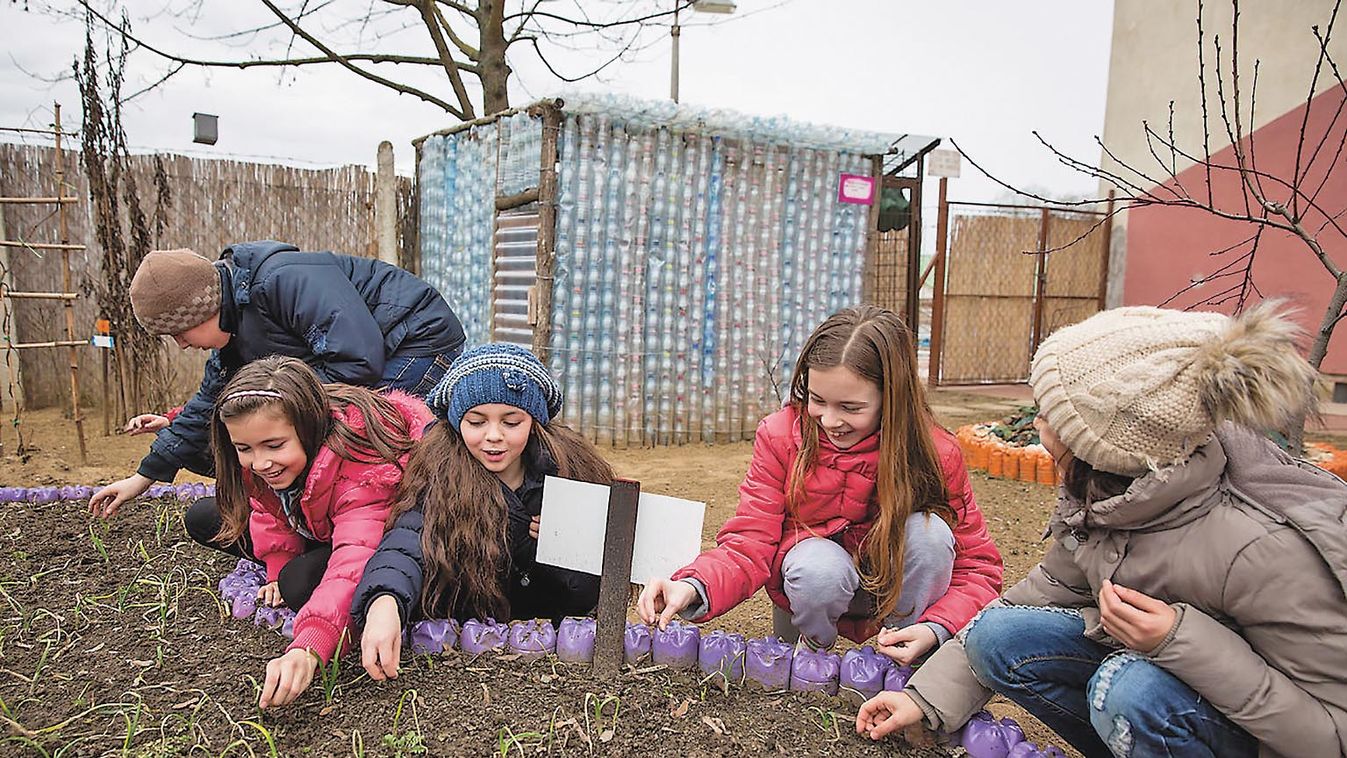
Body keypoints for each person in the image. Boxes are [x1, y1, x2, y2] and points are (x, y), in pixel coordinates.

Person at [856, 304, 1347, 758]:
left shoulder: (1261, 546)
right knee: (999, 635)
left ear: (1099, 443)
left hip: (1251, 732)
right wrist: (925, 698)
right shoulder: (1109, 501)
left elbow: (1329, 733)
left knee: (1130, 687)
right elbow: (1032, 600)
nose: (1038, 420)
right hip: (1168, 689)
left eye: (1050, 412)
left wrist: (1178, 640)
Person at [636, 306, 1002, 661]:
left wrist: (938, 626)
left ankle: (905, 653)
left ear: (893, 398)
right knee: (817, 566)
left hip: (897, 586)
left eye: (851, 407)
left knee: (930, 535)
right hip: (813, 587)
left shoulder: (934, 452)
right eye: (817, 400)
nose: (829, 420)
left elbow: (978, 565)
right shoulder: (781, 436)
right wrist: (692, 585)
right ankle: (812, 656)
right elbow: (750, 540)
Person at [88, 241, 465, 519]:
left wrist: (285, 401)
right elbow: (211, 402)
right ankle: (326, 532)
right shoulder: (235, 327)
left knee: (370, 434)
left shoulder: (282, 280)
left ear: (205, 307)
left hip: (414, 339)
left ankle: (393, 528)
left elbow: (357, 360)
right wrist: (143, 476)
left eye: (182, 332)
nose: (183, 344)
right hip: (368, 352)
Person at [351, 343, 613, 681]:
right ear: (458, 422)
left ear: (534, 421)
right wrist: (385, 601)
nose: (493, 437)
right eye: (476, 422)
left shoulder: (568, 471)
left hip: (552, 650)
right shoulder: (439, 473)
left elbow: (587, 594)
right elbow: (406, 543)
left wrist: (562, 548)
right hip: (464, 638)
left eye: (511, 421)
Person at [204, 356, 432, 709]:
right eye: (244, 449)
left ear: (308, 427)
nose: (260, 462)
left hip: (382, 533)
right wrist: (276, 568)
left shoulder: (362, 459)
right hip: (321, 519)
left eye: (274, 446)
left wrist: (310, 646)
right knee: (206, 518)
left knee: (300, 583)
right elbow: (268, 509)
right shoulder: (264, 461)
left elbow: (356, 555)